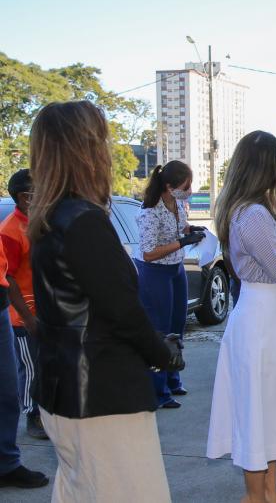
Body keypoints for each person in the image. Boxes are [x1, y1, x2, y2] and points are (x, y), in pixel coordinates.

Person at [28, 100, 185, 501]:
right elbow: (122, 311)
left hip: (65, 391)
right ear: (86, 149)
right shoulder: (83, 220)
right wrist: (163, 352)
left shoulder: (51, 217)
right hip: (101, 396)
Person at [207, 131, 276, 503]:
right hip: (262, 319)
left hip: (266, 314)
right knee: (258, 411)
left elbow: (272, 263)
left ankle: (269, 494)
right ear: (265, 166)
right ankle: (256, 498)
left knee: (265, 410)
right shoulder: (252, 213)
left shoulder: (249, 210)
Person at [136, 160, 205, 409]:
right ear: (169, 185)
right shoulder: (150, 211)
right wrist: (183, 242)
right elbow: (149, 253)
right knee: (161, 331)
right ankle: (158, 390)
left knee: (177, 326)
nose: (189, 190)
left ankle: (173, 378)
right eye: (186, 186)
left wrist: (191, 229)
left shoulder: (176, 203)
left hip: (176, 269)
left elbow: (182, 227)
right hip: (155, 273)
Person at [0, 169, 47, 440]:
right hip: (24, 317)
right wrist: (28, 318)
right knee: (30, 368)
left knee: (46, 364)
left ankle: (47, 411)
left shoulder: (40, 223)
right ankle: (33, 415)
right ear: (25, 197)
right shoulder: (10, 230)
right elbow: (8, 278)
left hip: (46, 311)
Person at [0, 236, 48, 489]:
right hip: (14, 313)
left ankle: (6, 464)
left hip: (1, 308)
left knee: (7, 394)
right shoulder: (11, 228)